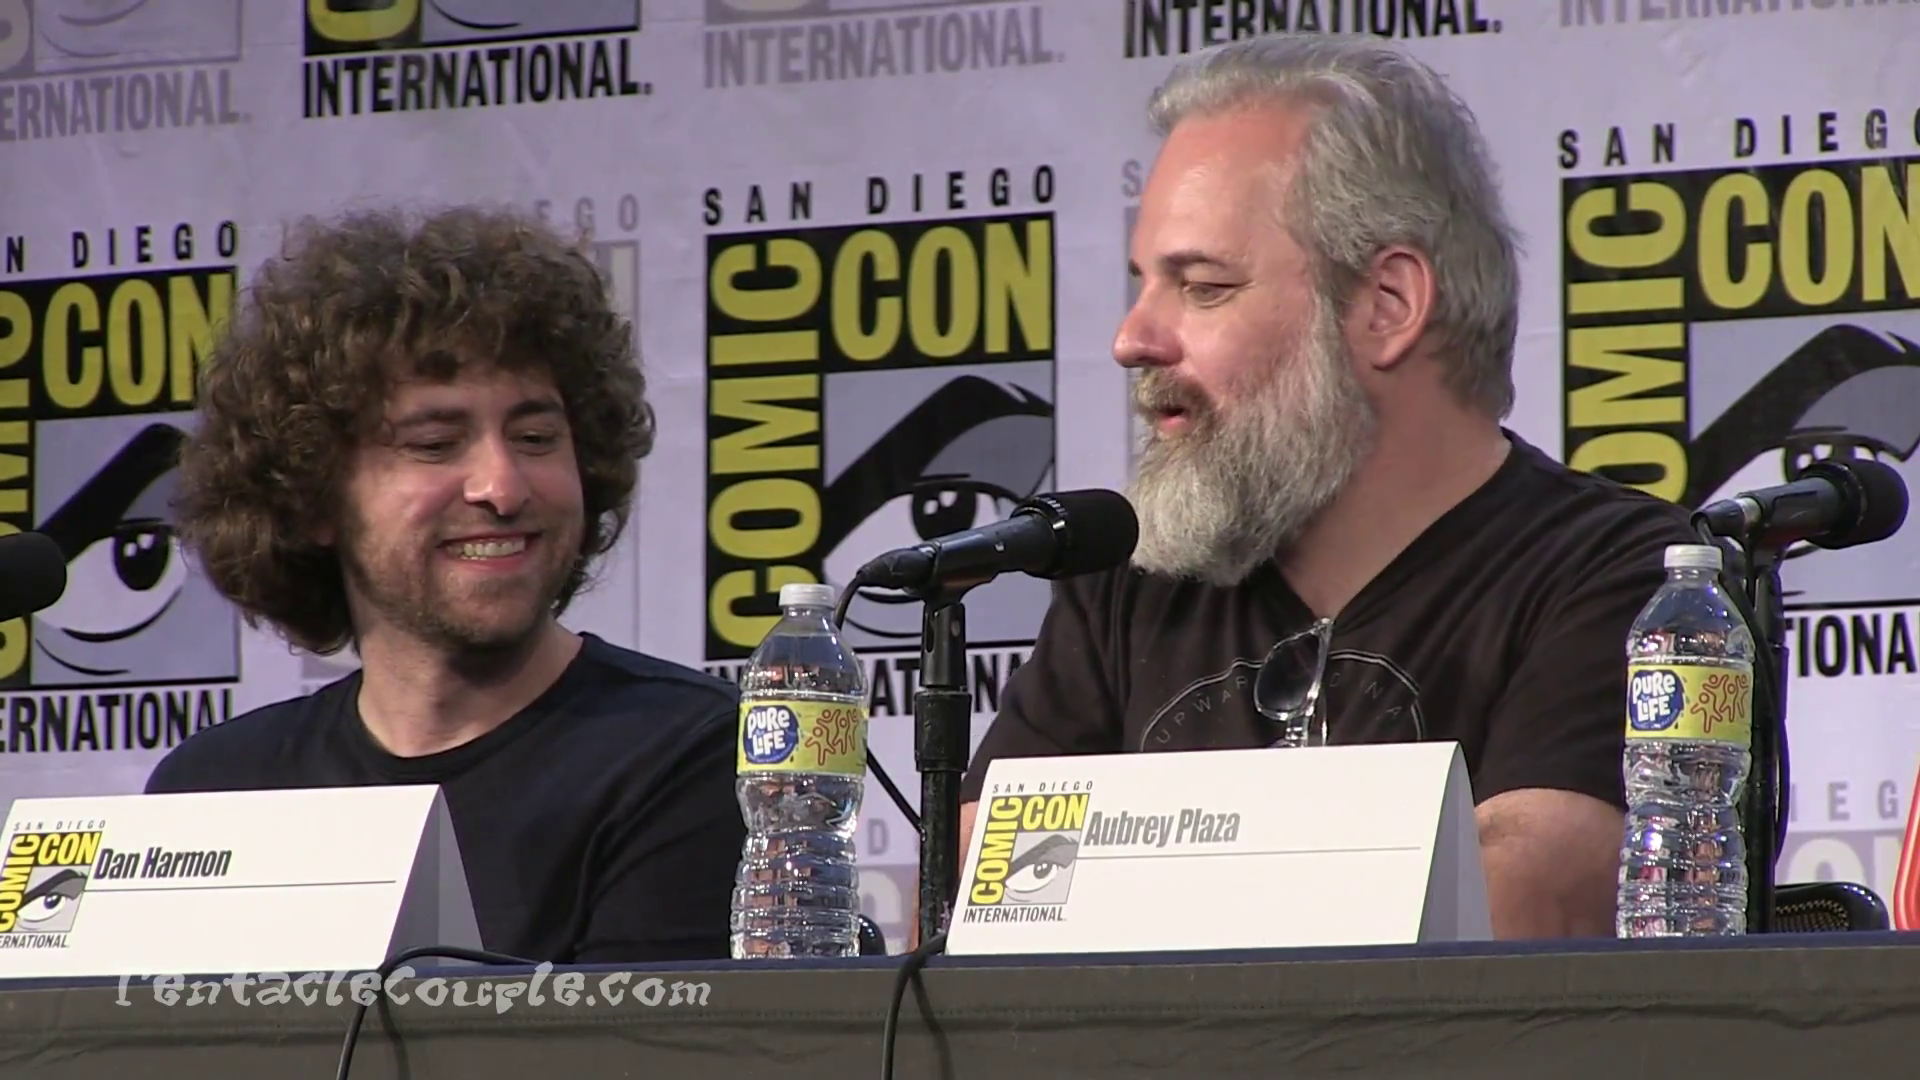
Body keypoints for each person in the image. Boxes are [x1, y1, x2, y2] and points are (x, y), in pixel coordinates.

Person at [956, 38, 1697, 939]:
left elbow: (1519, 922)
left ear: (1388, 304)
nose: (1131, 338)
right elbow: (975, 921)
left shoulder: (1634, 579)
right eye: (1145, 284)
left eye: (1202, 287)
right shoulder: (1125, 579)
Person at [147, 204, 744, 963]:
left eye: (536, 438)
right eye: (434, 445)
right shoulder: (214, 791)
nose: (502, 486)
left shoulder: (696, 756)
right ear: (313, 497)